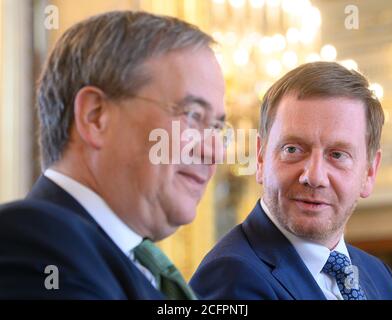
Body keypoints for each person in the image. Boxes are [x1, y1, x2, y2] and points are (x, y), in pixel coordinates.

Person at [0, 10, 226, 299]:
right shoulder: (33, 243)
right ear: (96, 117)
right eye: (193, 115)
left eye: (218, 126)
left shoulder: (131, 263)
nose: (213, 151)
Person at [190, 61, 392, 300]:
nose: (314, 177)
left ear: (370, 172)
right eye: (293, 149)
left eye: (338, 155)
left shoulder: (378, 275)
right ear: (260, 158)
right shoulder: (232, 276)